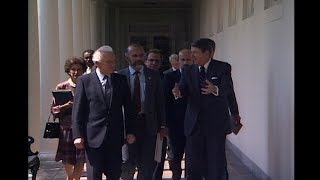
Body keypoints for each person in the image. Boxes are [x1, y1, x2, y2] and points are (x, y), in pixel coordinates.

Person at [172, 38, 236, 179]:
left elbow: (228, 89)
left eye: (195, 52)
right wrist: (178, 93)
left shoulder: (222, 67)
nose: (192, 56)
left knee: (216, 165)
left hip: (216, 126)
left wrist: (215, 89)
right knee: (193, 166)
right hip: (194, 126)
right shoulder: (188, 70)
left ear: (207, 53)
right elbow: (183, 89)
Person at [72, 45, 136, 180]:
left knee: (114, 174)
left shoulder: (120, 80)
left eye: (114, 61)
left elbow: (129, 108)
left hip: (115, 137)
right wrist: (78, 135)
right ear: (97, 63)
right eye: (109, 62)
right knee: (94, 175)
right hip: (93, 138)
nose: (113, 64)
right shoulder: (85, 81)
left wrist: (130, 131)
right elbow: (78, 110)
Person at [118, 43, 166, 180]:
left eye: (141, 55)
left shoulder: (154, 76)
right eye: (134, 56)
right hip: (128, 127)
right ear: (127, 57)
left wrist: (162, 125)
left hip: (149, 125)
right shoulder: (120, 76)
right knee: (127, 162)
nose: (138, 58)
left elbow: (160, 103)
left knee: (147, 164)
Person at [51, 56, 87, 180]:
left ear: (83, 70)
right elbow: (53, 110)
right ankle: (70, 177)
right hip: (66, 128)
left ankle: (75, 179)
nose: (76, 72)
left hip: (83, 127)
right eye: (73, 69)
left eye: (79, 69)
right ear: (68, 71)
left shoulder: (87, 85)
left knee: (80, 158)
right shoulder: (62, 87)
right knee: (67, 158)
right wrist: (66, 106)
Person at [144, 48, 168, 180]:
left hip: (161, 125)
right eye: (151, 60)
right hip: (142, 125)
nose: (153, 63)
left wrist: (164, 124)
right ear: (145, 61)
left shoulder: (166, 78)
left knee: (158, 157)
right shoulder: (140, 77)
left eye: (157, 61)